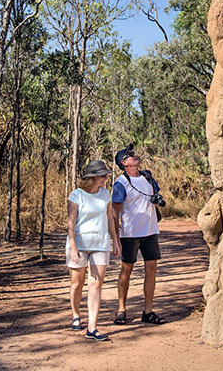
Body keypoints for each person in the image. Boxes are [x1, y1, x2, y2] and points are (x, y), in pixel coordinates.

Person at [111, 143, 167, 325]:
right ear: (124, 163)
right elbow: (115, 212)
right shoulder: (120, 184)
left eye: (134, 153)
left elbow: (156, 197)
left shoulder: (148, 177)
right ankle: (121, 310)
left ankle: (148, 311)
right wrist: (116, 240)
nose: (135, 155)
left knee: (151, 270)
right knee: (126, 270)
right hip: (130, 234)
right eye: (130, 155)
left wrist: (158, 202)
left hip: (150, 231)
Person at [66, 159, 121, 341]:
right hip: (80, 245)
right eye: (103, 175)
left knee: (96, 286)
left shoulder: (106, 194)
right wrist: (73, 247)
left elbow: (110, 218)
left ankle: (92, 327)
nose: (105, 178)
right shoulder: (77, 195)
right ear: (93, 177)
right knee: (77, 284)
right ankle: (75, 315)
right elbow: (71, 223)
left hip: (100, 244)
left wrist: (116, 240)